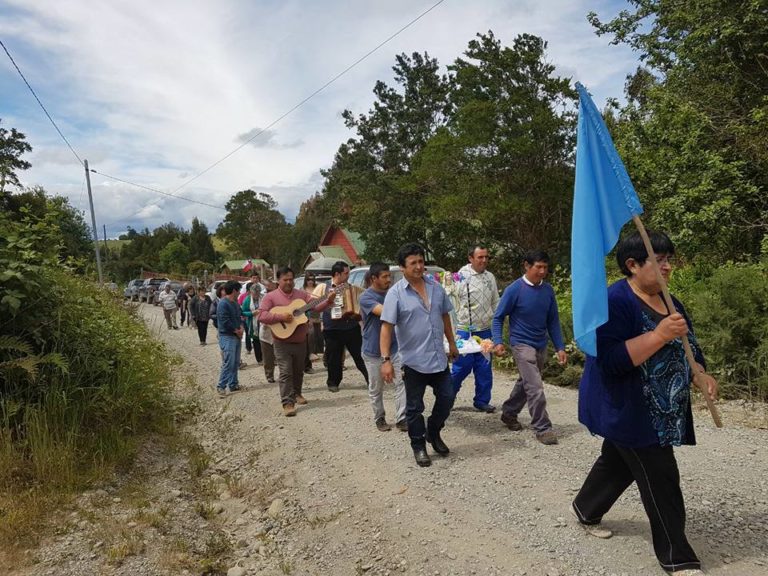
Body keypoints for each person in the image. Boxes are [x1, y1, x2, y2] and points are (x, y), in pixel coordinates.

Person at [572, 231, 716, 576]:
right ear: (632, 266)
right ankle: (677, 557)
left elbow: (688, 346)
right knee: (660, 476)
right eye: (659, 260)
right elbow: (609, 361)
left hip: (662, 407)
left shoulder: (670, 301)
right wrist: (658, 335)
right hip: (628, 407)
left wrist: (701, 374)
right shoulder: (614, 303)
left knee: (617, 462)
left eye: (669, 260)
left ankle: (585, 508)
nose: (668, 267)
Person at [381, 243, 459, 467]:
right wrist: (386, 360)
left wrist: (451, 343)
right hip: (413, 361)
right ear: (402, 267)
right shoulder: (395, 294)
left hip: (438, 357)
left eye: (421, 261)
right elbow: (386, 328)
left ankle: (433, 432)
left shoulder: (436, 288)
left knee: (447, 397)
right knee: (414, 408)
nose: (418, 267)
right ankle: (419, 446)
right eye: (413, 263)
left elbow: (444, 315)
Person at [492, 250, 567, 445]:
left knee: (526, 383)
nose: (542, 271)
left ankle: (509, 413)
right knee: (535, 387)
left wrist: (560, 347)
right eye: (538, 267)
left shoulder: (548, 290)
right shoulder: (514, 290)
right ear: (527, 266)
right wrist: (498, 341)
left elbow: (553, 321)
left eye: (545, 267)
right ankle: (543, 428)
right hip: (521, 343)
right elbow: (498, 317)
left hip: (540, 343)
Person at [259, 267, 335, 416]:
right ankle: (287, 402)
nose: (288, 282)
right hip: (281, 341)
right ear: (278, 280)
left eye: (290, 279)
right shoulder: (271, 297)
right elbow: (261, 316)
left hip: (300, 340)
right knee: (286, 372)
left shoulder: (301, 295)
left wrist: (328, 300)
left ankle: (297, 393)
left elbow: (316, 307)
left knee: (298, 371)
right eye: (285, 280)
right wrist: (281, 317)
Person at [449, 245, 500, 412]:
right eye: (480, 257)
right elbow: (451, 302)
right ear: (471, 258)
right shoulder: (459, 277)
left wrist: (497, 321)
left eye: (486, 257)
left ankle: (482, 400)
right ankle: (447, 397)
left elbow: (495, 301)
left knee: (484, 368)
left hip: (485, 330)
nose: (484, 260)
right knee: (461, 367)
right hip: (465, 330)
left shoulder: (490, 277)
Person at [360, 262, 407, 432]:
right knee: (376, 387)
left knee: (401, 382)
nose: (389, 279)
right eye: (385, 276)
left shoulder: (393, 293)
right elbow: (386, 311)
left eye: (390, 276)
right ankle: (379, 417)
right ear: (374, 279)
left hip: (395, 347)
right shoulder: (366, 297)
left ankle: (402, 418)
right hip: (373, 351)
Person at [322, 261, 369, 392]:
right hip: (332, 329)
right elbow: (315, 305)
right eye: (346, 273)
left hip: (351, 327)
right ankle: (333, 382)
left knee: (360, 354)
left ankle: (370, 379)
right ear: (337, 274)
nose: (348, 275)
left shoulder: (351, 287)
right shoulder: (323, 287)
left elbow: (363, 298)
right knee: (334, 358)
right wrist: (328, 300)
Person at [216, 281, 245, 397]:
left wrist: (241, 327)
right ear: (234, 290)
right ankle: (221, 386)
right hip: (227, 336)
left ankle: (233, 384)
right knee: (228, 362)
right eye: (239, 290)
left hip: (236, 336)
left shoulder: (235, 303)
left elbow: (240, 316)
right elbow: (224, 321)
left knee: (235, 362)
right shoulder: (223, 304)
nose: (240, 293)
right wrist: (236, 331)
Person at [259, 280, 278, 384]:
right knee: (268, 356)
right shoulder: (263, 299)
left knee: (281, 355)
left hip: (279, 330)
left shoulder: (280, 299)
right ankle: (269, 375)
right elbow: (261, 314)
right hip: (266, 331)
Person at [241, 282, 263, 364]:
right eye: (254, 293)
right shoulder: (247, 300)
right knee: (256, 341)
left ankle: (266, 357)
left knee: (264, 340)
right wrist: (251, 313)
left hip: (263, 322)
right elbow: (243, 312)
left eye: (258, 293)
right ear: (251, 292)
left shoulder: (263, 298)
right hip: (253, 324)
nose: (256, 295)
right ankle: (259, 359)